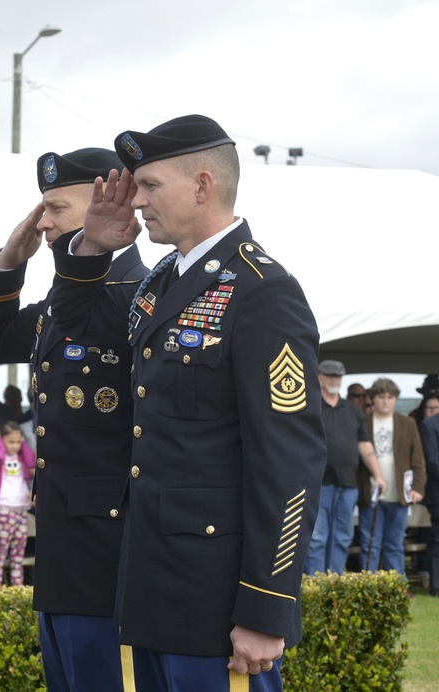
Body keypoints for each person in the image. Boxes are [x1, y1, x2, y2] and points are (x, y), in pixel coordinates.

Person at [115, 114, 326, 688]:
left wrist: (265, 607)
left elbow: (288, 461)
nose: (136, 200)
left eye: (151, 186)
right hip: (155, 590)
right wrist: (90, 247)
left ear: (203, 185)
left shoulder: (262, 290)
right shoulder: (160, 283)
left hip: (218, 601)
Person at [0, 146, 147, 691]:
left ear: (103, 208)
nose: (42, 222)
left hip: (112, 542)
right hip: (65, 535)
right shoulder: (59, 300)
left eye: (55, 209)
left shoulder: (140, 294)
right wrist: (7, 260)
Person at [304, 360, 386, 576]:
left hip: (348, 483)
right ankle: (316, 585)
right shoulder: (309, 406)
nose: (334, 379)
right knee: (317, 537)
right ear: (319, 376)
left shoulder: (353, 411)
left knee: (342, 536)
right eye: (330, 375)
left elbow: (365, 445)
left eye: (338, 376)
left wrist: (378, 475)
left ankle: (335, 583)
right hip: (318, 483)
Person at [357, 378, 426, 573]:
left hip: (399, 494)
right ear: (373, 399)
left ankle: (396, 589)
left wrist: (418, 488)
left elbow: (418, 458)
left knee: (395, 545)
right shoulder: (363, 422)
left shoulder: (408, 423)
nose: (385, 401)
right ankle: (367, 587)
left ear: (395, 399)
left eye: (390, 397)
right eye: (381, 397)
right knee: (370, 545)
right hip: (371, 495)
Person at [0, 421, 35, 589]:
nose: (15, 446)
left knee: (18, 552)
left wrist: (23, 445)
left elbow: (31, 462)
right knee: (1, 551)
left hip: (21, 507)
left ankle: (17, 588)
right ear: (1, 440)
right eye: (10, 442)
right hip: (4, 507)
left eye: (18, 442)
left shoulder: (21, 457)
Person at [419, 393, 439, 595]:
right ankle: (437, 586)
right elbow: (433, 461)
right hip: (437, 492)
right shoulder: (430, 425)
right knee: (438, 539)